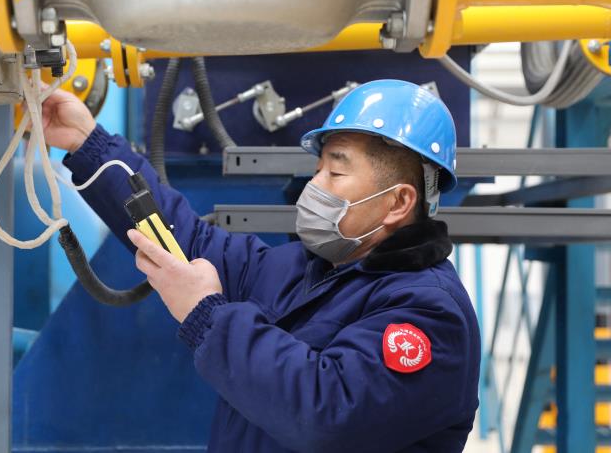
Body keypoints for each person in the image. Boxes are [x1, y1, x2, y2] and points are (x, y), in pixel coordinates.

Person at [42, 78, 481, 452]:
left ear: (398, 202)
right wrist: (88, 143)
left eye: (335, 173)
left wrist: (206, 315)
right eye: (317, 170)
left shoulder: (429, 316)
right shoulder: (300, 270)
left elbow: (326, 412)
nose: (314, 186)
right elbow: (185, 239)